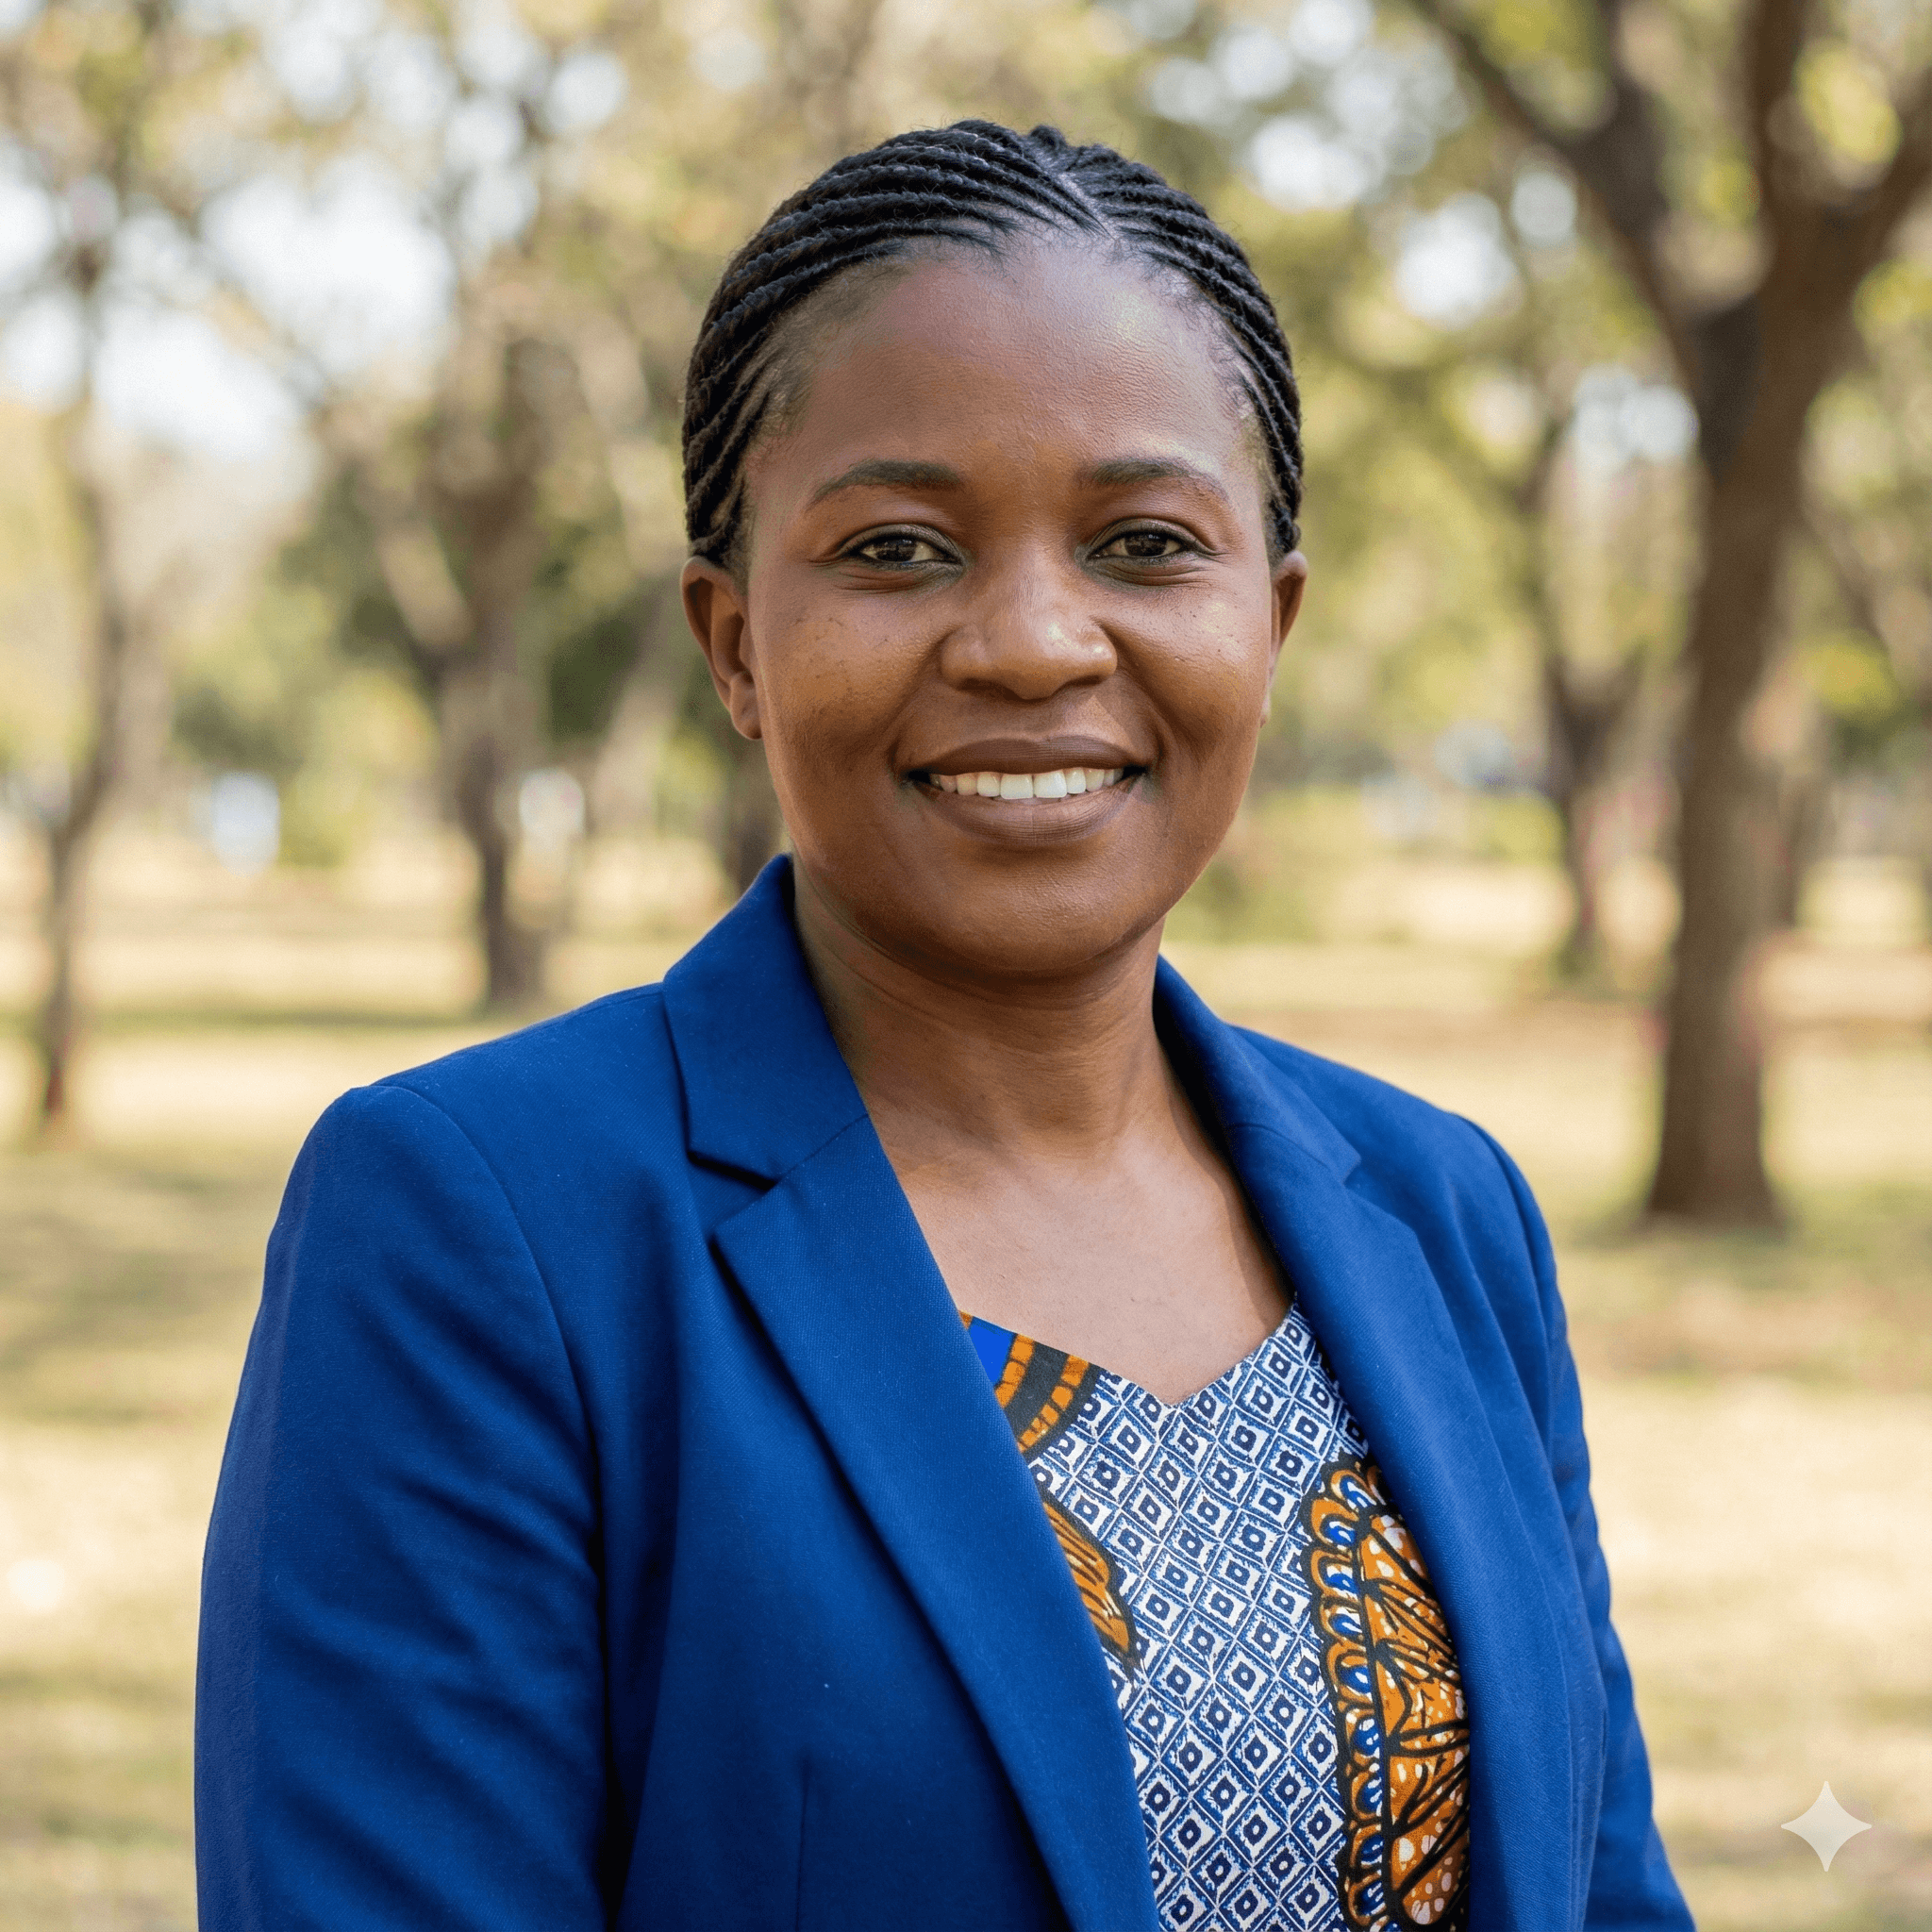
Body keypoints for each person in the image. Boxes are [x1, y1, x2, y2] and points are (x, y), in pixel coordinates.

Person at [196, 121, 1693, 1932]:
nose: (1036, 641)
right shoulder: (483, 1224)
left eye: (1146, 542)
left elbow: (1600, 1887)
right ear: (735, 643)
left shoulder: (1443, 1210)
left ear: (1270, 626)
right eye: (901, 548)